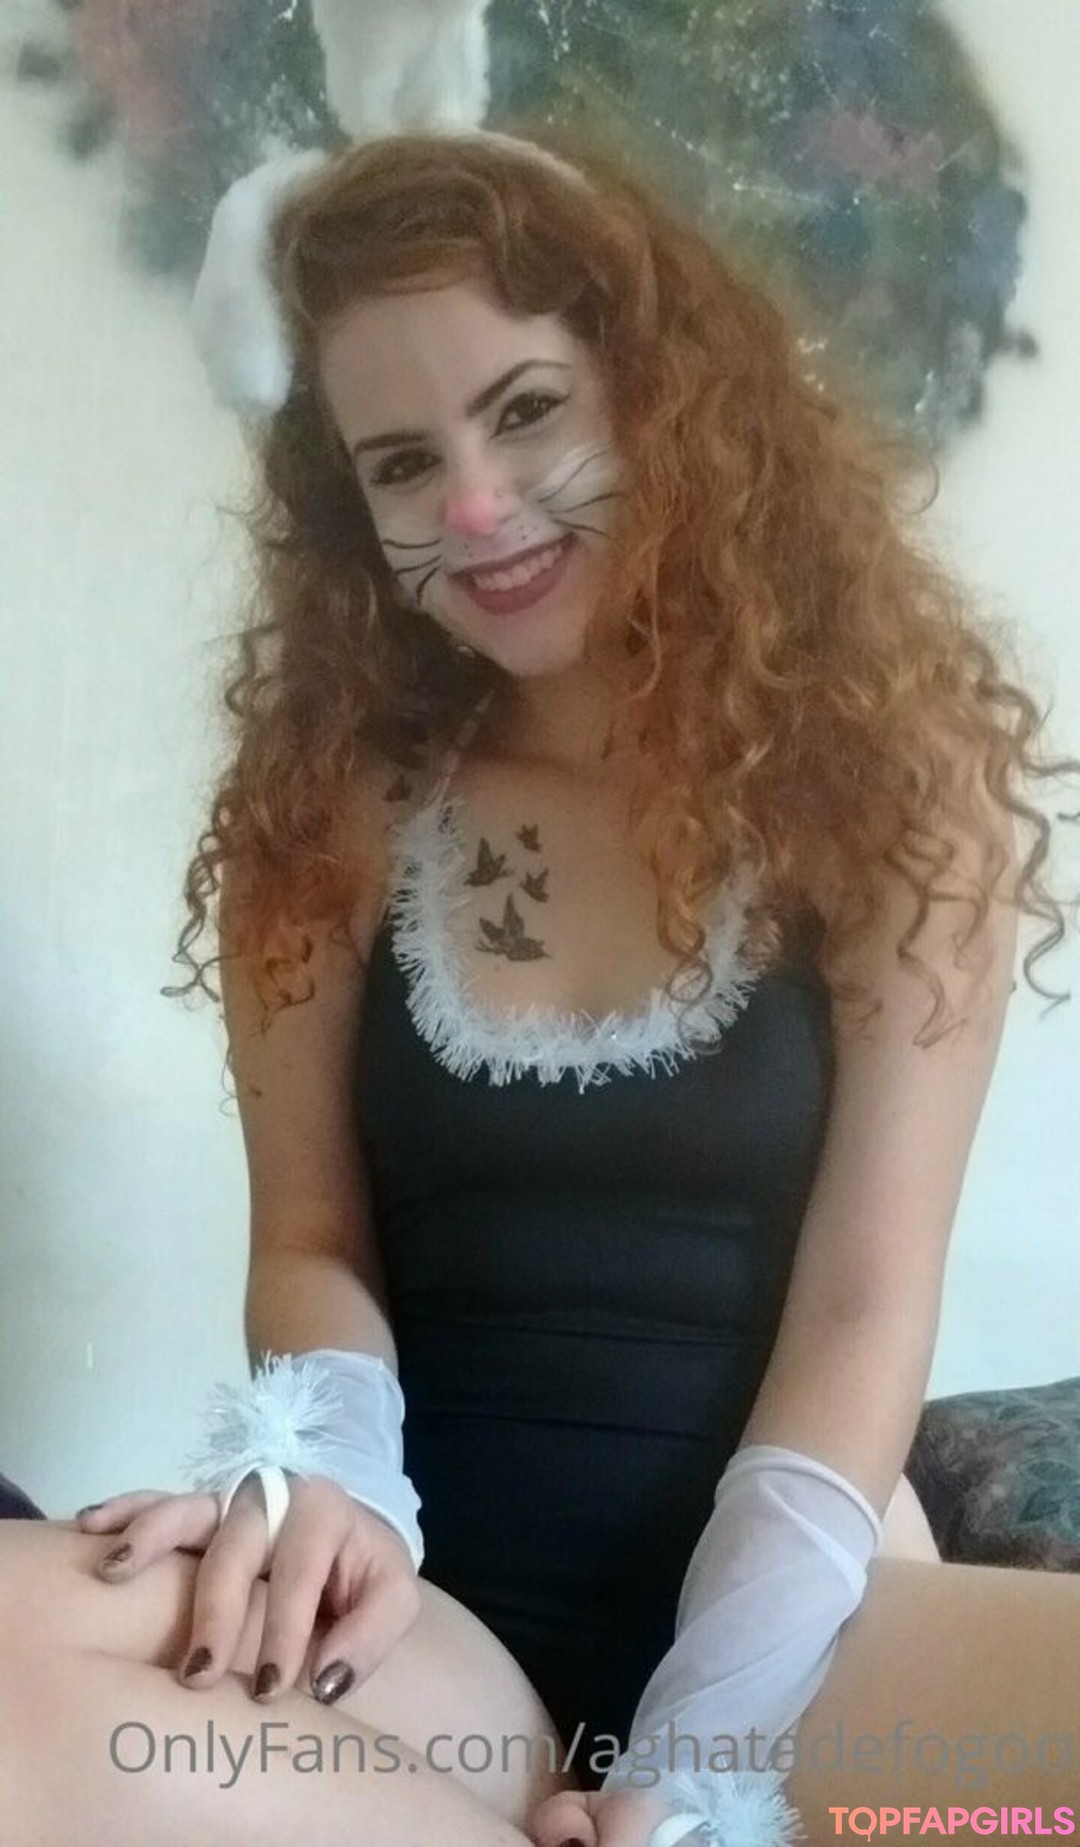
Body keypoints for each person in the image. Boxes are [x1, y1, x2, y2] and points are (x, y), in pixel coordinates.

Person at [3, 130, 1080, 1847]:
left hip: (801, 1628)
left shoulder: (898, 794)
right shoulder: (325, 805)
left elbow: (869, 1308)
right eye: (402, 464)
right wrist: (331, 1468)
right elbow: (311, 1238)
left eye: (525, 412)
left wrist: (699, 1758)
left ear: (666, 400)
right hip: (435, 1613)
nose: (477, 508)